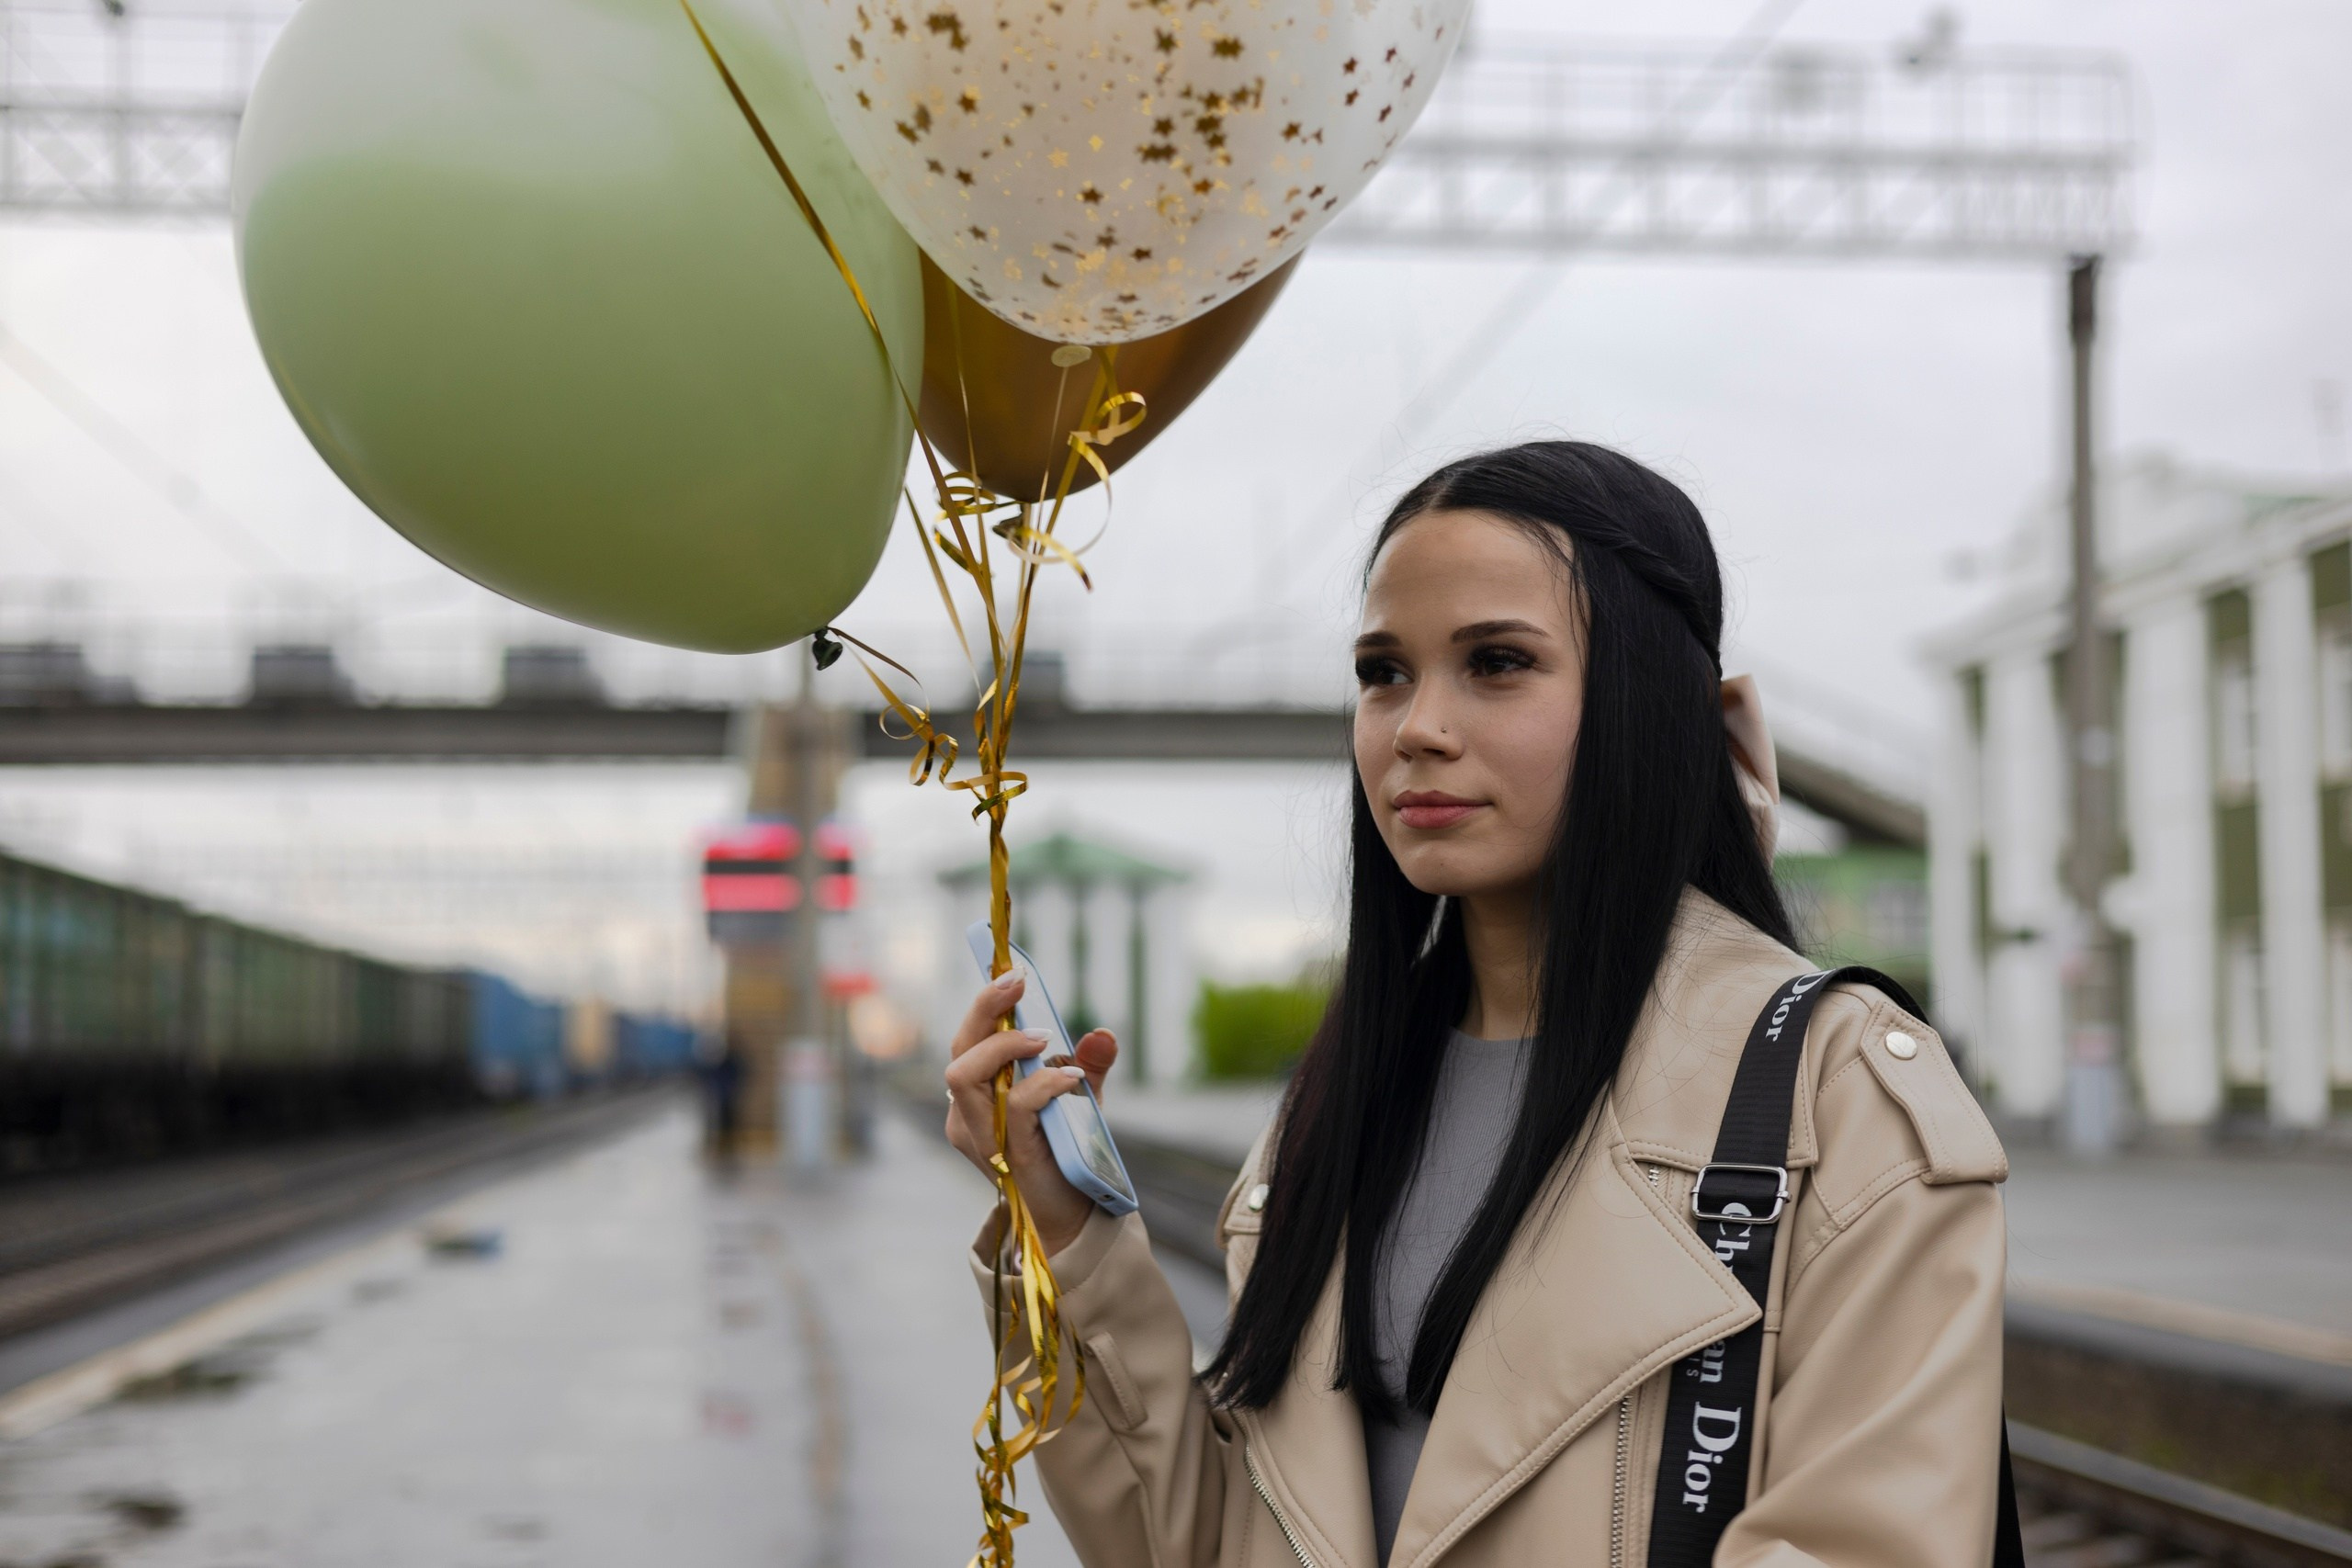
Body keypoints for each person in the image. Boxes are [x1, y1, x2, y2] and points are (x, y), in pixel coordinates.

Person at [943, 441, 2009, 1568]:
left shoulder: (1837, 1094)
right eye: (1382, 672)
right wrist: (1065, 1236)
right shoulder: (1332, 1110)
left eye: (1496, 662)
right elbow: (1202, 1543)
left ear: (1649, 700)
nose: (1416, 726)